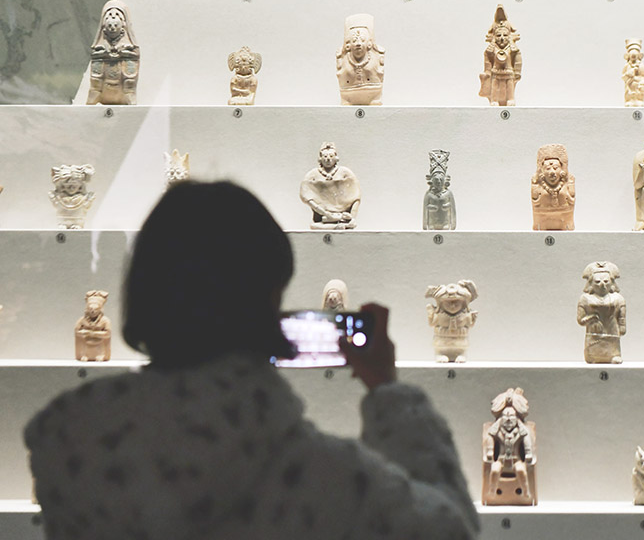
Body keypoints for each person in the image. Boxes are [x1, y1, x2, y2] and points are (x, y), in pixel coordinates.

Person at [24, 181, 479, 540]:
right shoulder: (319, 476)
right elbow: (449, 528)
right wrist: (389, 394)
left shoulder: (72, 445)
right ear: (269, 300)